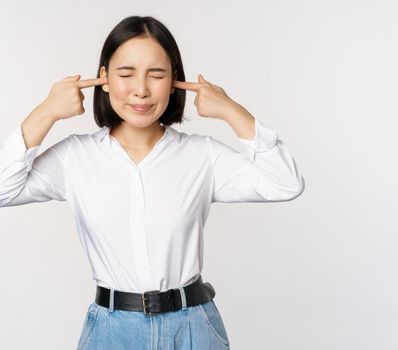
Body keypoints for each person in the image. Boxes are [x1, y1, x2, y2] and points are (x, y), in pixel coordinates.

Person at [0, 15, 305, 349]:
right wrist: (45, 113)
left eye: (156, 74)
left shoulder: (201, 156)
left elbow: (285, 182)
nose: (141, 90)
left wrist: (232, 111)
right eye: (126, 74)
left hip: (192, 329)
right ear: (103, 78)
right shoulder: (75, 158)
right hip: (111, 332)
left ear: (174, 80)